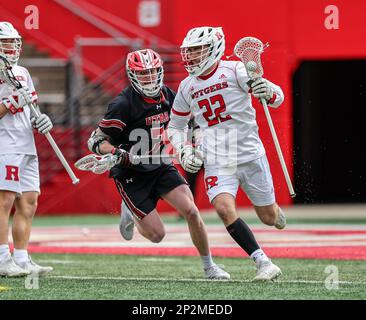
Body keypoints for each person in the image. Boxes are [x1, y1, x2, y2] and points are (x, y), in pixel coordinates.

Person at [87, 48, 229, 280]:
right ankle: (130, 212)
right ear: (132, 75)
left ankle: (209, 267)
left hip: (161, 163)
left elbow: (190, 124)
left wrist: (192, 145)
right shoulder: (123, 104)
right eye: (143, 74)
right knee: (157, 235)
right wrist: (118, 153)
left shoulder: (169, 95)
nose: (150, 78)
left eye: (153, 72)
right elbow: (96, 140)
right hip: (130, 172)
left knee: (192, 211)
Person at [167, 26, 286, 281]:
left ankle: (274, 211)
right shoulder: (187, 86)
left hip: (249, 153)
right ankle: (262, 262)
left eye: (198, 51)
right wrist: (184, 149)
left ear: (214, 49)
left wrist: (269, 91)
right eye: (190, 52)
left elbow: (277, 97)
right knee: (223, 208)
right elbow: (175, 126)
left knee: (268, 217)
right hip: (217, 158)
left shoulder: (235, 70)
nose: (192, 58)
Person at [0, 22, 53, 277]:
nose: (12, 47)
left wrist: (40, 120)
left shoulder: (22, 72)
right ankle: (2, 258)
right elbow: (12, 105)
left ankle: (21, 258)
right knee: (5, 201)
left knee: (29, 202)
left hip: (26, 143)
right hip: (5, 144)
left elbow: (31, 107)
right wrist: (8, 104)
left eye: (14, 42)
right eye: (6, 43)